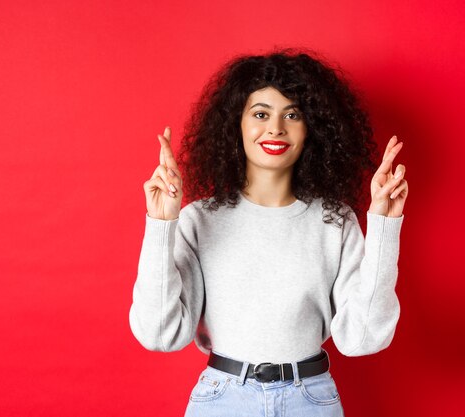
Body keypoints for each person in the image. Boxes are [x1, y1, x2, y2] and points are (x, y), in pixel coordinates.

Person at [129, 47, 409, 417]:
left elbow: (362, 339)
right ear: (237, 125)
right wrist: (162, 225)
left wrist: (384, 227)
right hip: (223, 399)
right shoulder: (199, 220)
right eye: (261, 114)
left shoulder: (335, 222)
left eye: (291, 114)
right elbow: (160, 334)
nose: (276, 128)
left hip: (311, 400)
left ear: (312, 128)